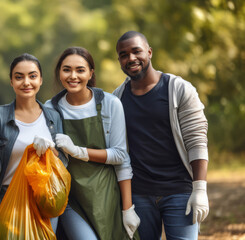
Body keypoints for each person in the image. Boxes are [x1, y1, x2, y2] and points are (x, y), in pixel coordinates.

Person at [113, 31, 209, 239]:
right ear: (119, 60)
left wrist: (199, 189)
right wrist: (127, 205)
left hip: (179, 192)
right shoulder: (116, 99)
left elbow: (197, 140)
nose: (131, 58)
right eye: (123, 54)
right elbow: (117, 150)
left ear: (149, 52)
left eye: (136, 51)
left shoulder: (179, 89)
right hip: (139, 195)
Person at [46, 46, 140, 239]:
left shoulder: (109, 103)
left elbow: (121, 156)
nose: (73, 76)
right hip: (72, 199)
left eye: (80, 70)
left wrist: (127, 208)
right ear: (59, 73)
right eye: (66, 70)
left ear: (90, 73)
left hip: (107, 196)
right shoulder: (50, 109)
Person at [0, 53, 67, 233]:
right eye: (19, 77)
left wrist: (50, 149)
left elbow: (61, 163)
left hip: (44, 200)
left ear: (40, 80)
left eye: (32, 76)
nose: (26, 82)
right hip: (9, 200)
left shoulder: (53, 116)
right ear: (11, 82)